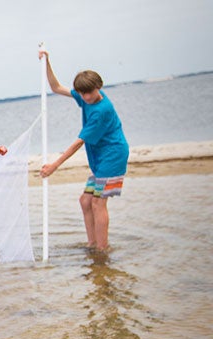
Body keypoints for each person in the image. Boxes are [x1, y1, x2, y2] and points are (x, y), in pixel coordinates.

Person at [39, 49, 129, 252]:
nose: (86, 97)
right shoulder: (85, 96)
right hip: (100, 156)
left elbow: (78, 143)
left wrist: (54, 165)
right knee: (85, 200)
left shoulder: (101, 110)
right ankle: (92, 243)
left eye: (89, 92)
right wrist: (47, 62)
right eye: (82, 93)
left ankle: (102, 249)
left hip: (112, 155)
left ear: (99, 87)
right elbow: (55, 87)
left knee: (98, 203)